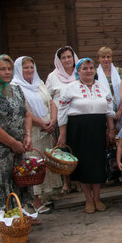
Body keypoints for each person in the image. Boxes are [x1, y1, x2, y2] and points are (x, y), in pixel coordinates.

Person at [57, 58, 115, 213]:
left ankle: (97, 198)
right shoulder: (69, 88)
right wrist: (62, 134)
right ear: (78, 70)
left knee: (97, 164)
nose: (89, 71)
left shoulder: (102, 87)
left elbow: (109, 110)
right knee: (83, 165)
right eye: (85, 68)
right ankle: (88, 199)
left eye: (91, 68)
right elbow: (62, 112)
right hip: (78, 131)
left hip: (97, 130)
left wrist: (110, 129)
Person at [0, 55, 33, 210]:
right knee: (4, 183)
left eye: (9, 69)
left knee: (19, 180)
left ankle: (22, 214)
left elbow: (27, 114)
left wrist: (27, 135)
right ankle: (8, 218)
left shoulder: (16, 89)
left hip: (18, 147)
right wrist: (12, 143)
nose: (7, 72)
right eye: (2, 69)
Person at [12, 56, 60, 213]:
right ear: (18, 69)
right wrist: (41, 123)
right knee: (33, 164)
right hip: (31, 131)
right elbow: (23, 112)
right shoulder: (16, 87)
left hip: (46, 129)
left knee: (44, 162)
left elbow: (51, 102)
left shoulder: (39, 84)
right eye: (25, 68)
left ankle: (45, 195)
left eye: (31, 67)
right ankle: (34, 200)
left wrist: (53, 120)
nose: (29, 70)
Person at [45, 46, 78, 194]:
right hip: (61, 119)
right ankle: (66, 182)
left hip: (78, 118)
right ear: (59, 60)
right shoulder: (53, 77)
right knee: (63, 150)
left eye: (69, 57)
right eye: (63, 58)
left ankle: (79, 180)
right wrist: (51, 118)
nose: (67, 60)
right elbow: (48, 99)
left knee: (78, 149)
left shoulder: (80, 72)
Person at [96, 47, 122, 129]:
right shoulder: (95, 74)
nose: (106, 59)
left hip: (120, 110)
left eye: (108, 57)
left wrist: (119, 110)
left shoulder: (119, 71)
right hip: (103, 111)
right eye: (103, 57)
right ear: (99, 59)